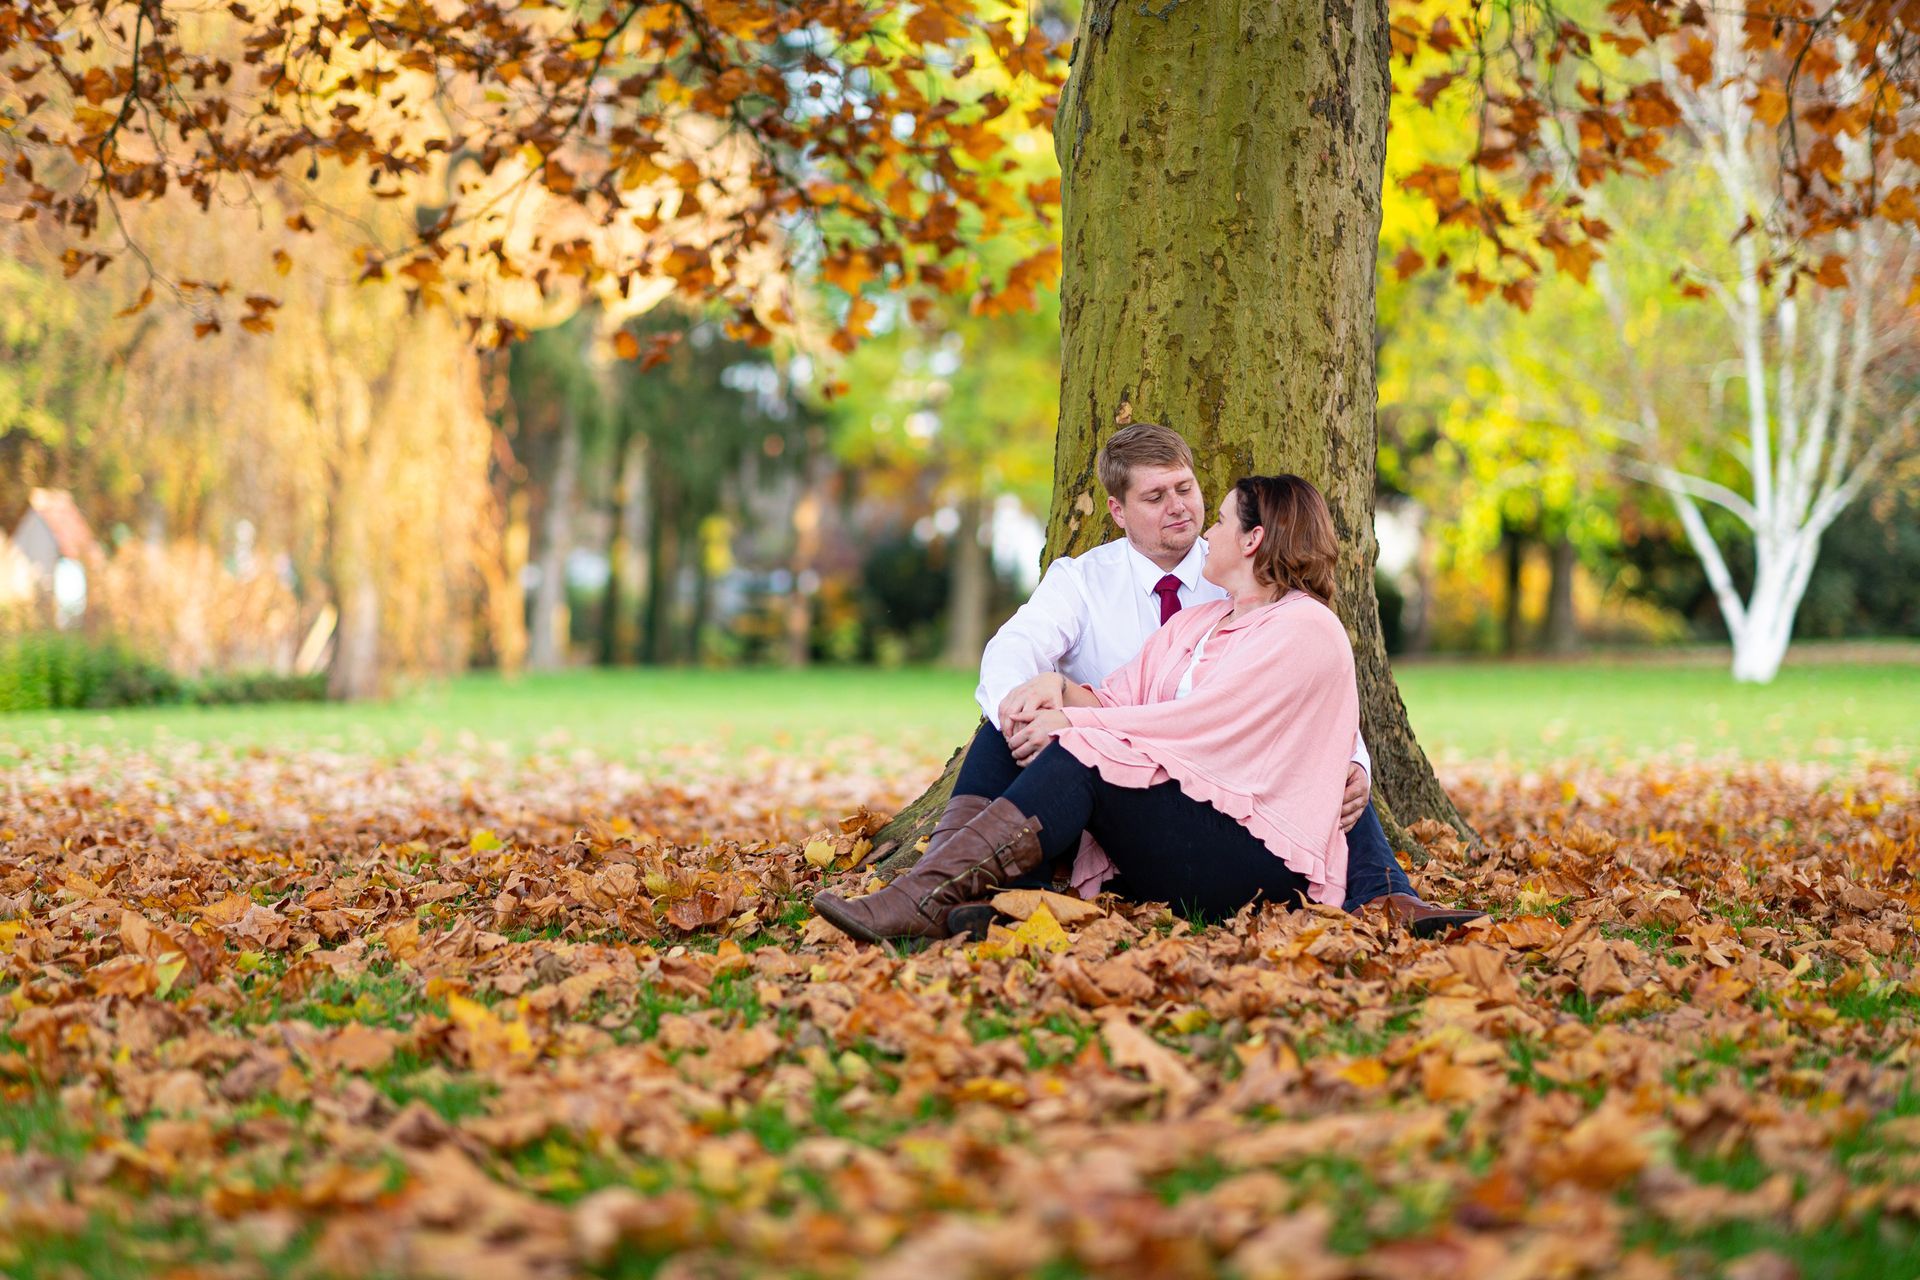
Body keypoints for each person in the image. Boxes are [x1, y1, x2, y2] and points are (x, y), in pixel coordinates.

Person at [814, 474, 1471, 943]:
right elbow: (1117, 698)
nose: (1206, 530)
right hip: (1183, 836)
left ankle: (924, 898)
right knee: (1015, 723)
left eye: (1220, 520)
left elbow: (1199, 727)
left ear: (1253, 540)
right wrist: (1052, 694)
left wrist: (1072, 723)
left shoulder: (1305, 628)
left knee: (1080, 752)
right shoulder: (1199, 624)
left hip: (1256, 859)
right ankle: (981, 895)